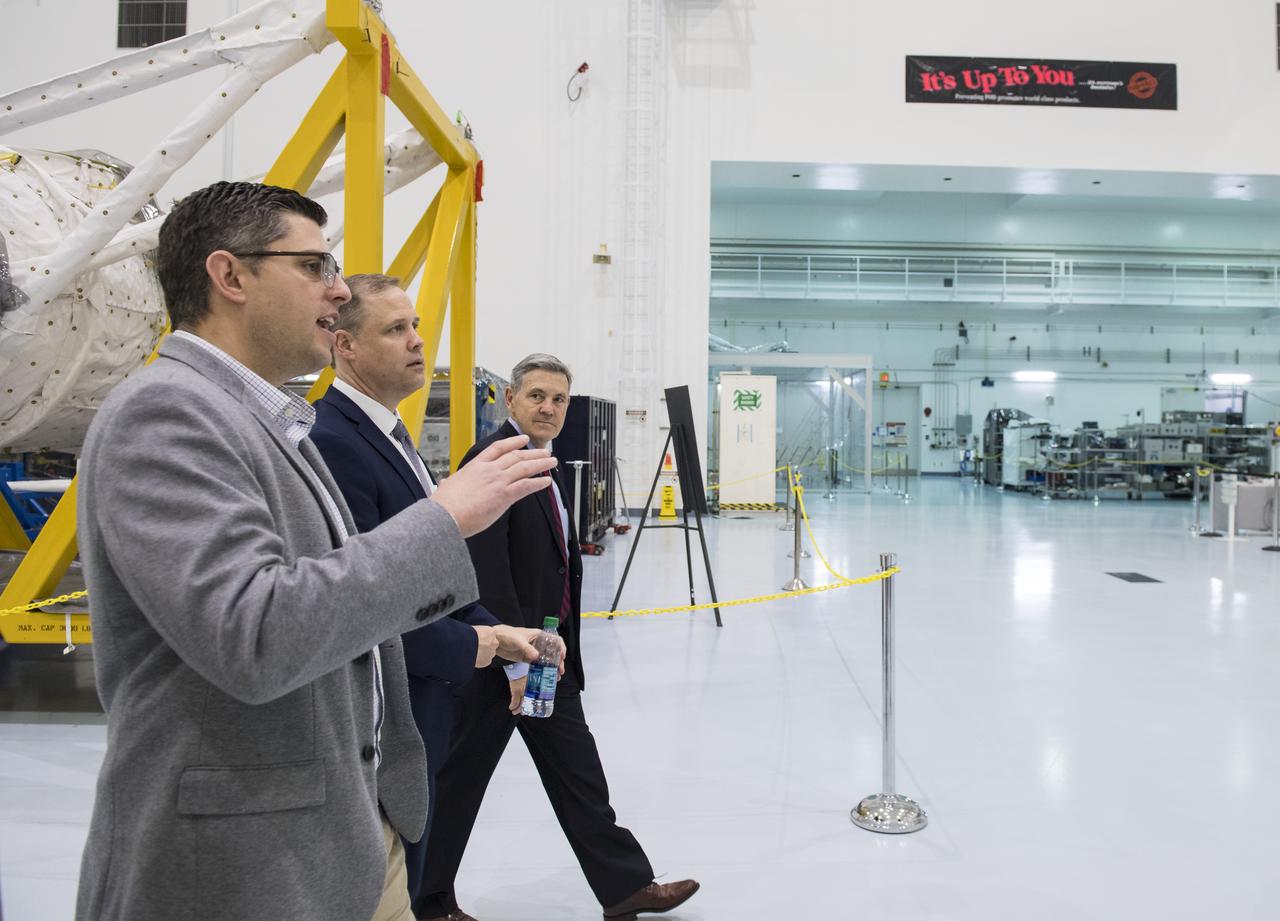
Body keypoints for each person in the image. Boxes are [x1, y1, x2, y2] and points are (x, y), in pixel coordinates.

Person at [74, 181, 558, 921]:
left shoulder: (268, 420)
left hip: (339, 824)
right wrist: (442, 519)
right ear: (229, 276)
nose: (337, 292)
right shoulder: (166, 413)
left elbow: (332, 599)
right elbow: (256, 633)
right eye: (313, 266)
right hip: (240, 858)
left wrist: (482, 637)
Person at [310, 273, 562, 908]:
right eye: (396, 330)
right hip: (386, 702)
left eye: (416, 325)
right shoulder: (335, 441)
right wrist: (472, 644)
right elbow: (361, 594)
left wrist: (498, 632)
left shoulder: (390, 438)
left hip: (429, 692)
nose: (418, 342)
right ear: (344, 345)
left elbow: (431, 567)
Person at [419, 354, 699, 921]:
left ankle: (624, 887)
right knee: (456, 782)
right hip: (501, 661)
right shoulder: (494, 461)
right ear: (510, 400)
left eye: (559, 399)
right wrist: (516, 665)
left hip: (546, 656)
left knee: (578, 772)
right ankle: (427, 901)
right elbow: (486, 573)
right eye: (537, 396)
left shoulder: (542, 462)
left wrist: (547, 655)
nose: (549, 408)